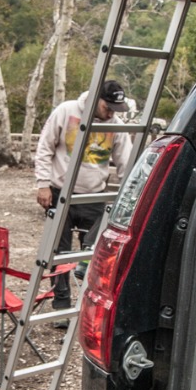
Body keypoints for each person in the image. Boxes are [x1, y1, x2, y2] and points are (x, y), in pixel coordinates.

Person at [33, 79, 136, 311]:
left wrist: (130, 194)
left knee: (98, 248)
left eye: (115, 109)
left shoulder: (116, 125)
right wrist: (42, 184)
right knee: (59, 252)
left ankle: (88, 306)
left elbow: (126, 163)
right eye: (107, 107)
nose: (111, 113)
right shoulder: (66, 111)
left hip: (94, 195)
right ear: (95, 98)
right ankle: (61, 305)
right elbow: (44, 147)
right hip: (61, 193)